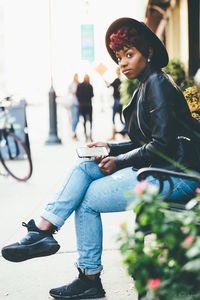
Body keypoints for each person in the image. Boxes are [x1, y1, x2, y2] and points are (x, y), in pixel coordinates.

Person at [1, 17, 200, 300]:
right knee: (85, 167)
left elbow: (162, 146)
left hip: (176, 176)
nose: (123, 62)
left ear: (149, 53)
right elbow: (145, 141)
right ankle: (45, 231)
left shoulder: (156, 82)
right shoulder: (147, 84)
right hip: (162, 169)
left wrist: (118, 161)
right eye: (120, 57)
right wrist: (109, 146)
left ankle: (85, 273)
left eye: (130, 55)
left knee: (88, 199)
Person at [104, 67, 125, 139]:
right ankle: (124, 132)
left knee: (113, 118)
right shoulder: (122, 80)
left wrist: (105, 81)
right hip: (120, 101)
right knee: (120, 118)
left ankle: (115, 134)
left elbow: (109, 85)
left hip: (116, 101)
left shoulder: (117, 80)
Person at [76, 74, 94, 142]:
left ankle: (86, 136)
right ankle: (90, 135)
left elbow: (77, 95)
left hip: (82, 105)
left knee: (84, 121)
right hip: (89, 105)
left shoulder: (79, 85)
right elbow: (92, 95)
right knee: (90, 121)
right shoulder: (90, 86)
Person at [68, 73, 79, 140]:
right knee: (74, 119)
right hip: (73, 103)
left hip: (79, 104)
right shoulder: (71, 84)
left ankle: (74, 132)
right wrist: (74, 91)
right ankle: (74, 132)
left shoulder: (79, 84)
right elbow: (69, 91)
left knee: (77, 119)